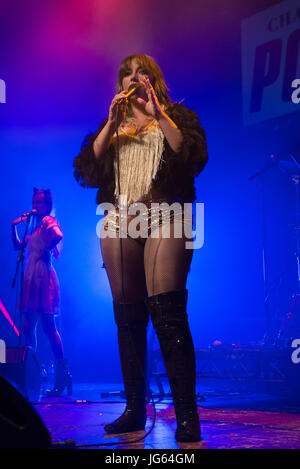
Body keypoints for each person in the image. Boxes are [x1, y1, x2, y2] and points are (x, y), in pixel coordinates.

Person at [74, 54, 208, 442]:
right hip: (119, 218)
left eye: (141, 73)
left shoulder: (177, 116)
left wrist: (156, 112)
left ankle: (186, 415)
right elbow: (86, 168)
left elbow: (190, 155)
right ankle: (134, 409)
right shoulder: (113, 127)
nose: (133, 79)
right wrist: (112, 123)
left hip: (167, 214)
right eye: (126, 75)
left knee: (167, 310)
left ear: (155, 79)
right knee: (128, 316)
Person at [11, 188, 72, 397]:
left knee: (48, 326)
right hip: (31, 278)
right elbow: (18, 246)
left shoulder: (47, 220)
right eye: (34, 201)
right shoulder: (35, 226)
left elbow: (58, 235)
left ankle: (62, 375)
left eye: (40, 202)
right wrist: (13, 227)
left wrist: (46, 248)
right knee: (29, 326)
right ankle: (33, 371)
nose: (36, 205)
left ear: (47, 204)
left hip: (42, 278)